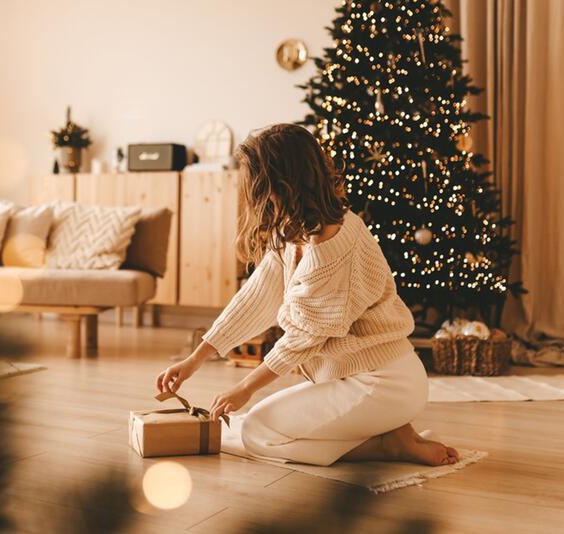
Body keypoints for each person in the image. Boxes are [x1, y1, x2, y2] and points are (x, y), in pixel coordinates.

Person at [156, 124, 459, 467]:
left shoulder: (330, 251)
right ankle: (393, 432)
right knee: (261, 421)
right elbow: (256, 297)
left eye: (257, 184)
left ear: (282, 183)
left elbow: (302, 338)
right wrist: (195, 358)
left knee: (257, 432)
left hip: (383, 383)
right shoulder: (294, 232)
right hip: (356, 377)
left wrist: (245, 388)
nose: (255, 196)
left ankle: (388, 446)